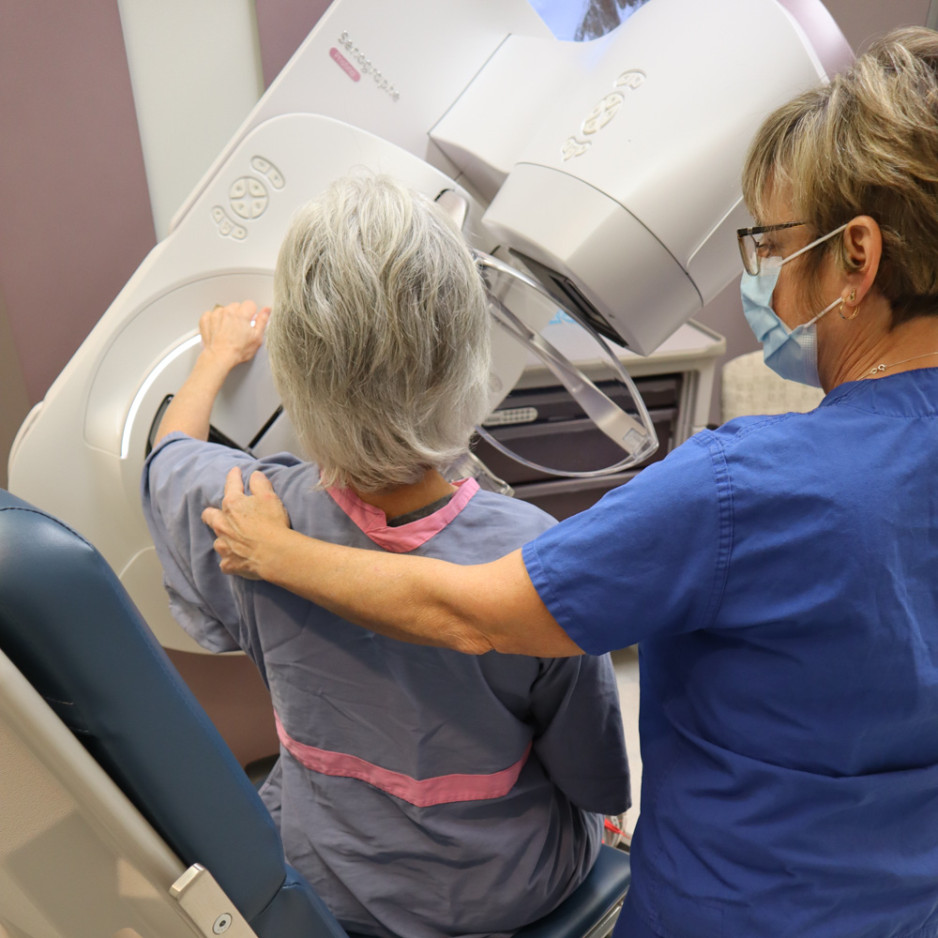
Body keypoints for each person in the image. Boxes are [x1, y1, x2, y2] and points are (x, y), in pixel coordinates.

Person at [201, 28, 938, 938]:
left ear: (857, 257)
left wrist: (278, 553)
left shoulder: (744, 490)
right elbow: (593, 772)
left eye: (770, 246)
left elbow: (473, 615)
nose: (764, 281)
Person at [141, 174, 630, 938]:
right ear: (466, 357)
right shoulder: (532, 552)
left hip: (328, 874)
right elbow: (591, 773)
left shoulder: (246, 516)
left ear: (298, 368)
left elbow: (167, 455)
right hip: (506, 888)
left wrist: (217, 356)